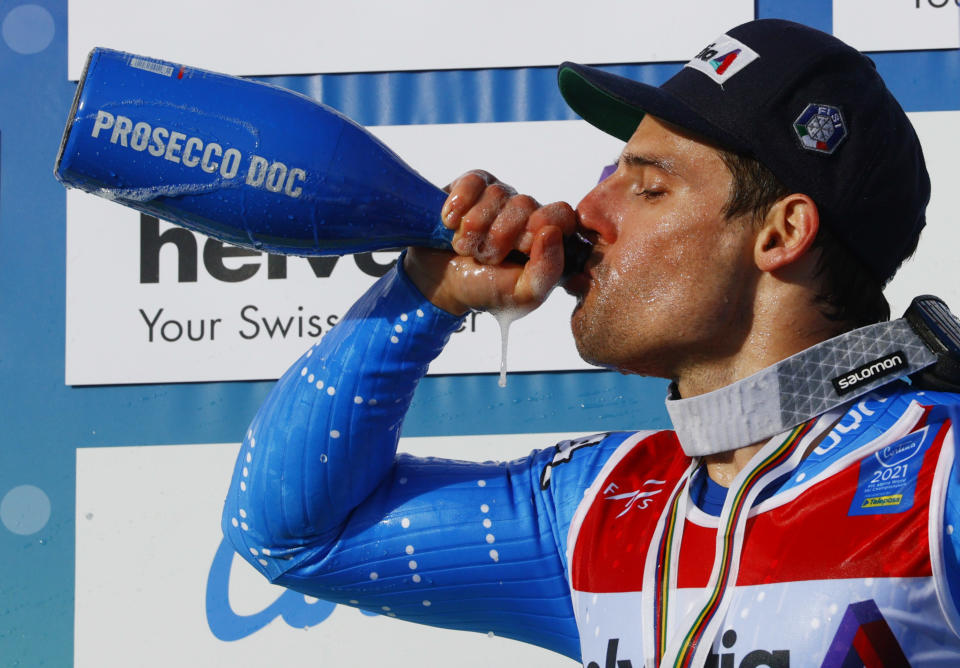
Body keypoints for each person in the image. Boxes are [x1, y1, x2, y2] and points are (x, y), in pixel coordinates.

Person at [222, 18, 960, 666]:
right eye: (608, 174)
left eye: (647, 188)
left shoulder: (941, 477)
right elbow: (295, 533)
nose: (583, 212)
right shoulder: (597, 504)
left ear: (781, 234)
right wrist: (423, 294)